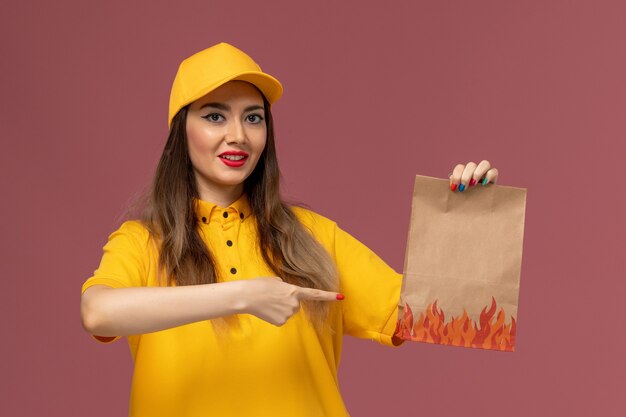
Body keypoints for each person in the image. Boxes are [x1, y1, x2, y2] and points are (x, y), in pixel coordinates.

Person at [80, 42, 499, 417]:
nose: (238, 136)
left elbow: (431, 316)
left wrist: (467, 219)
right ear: (180, 133)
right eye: (214, 116)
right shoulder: (142, 242)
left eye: (254, 118)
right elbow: (98, 312)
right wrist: (244, 296)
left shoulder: (311, 236)